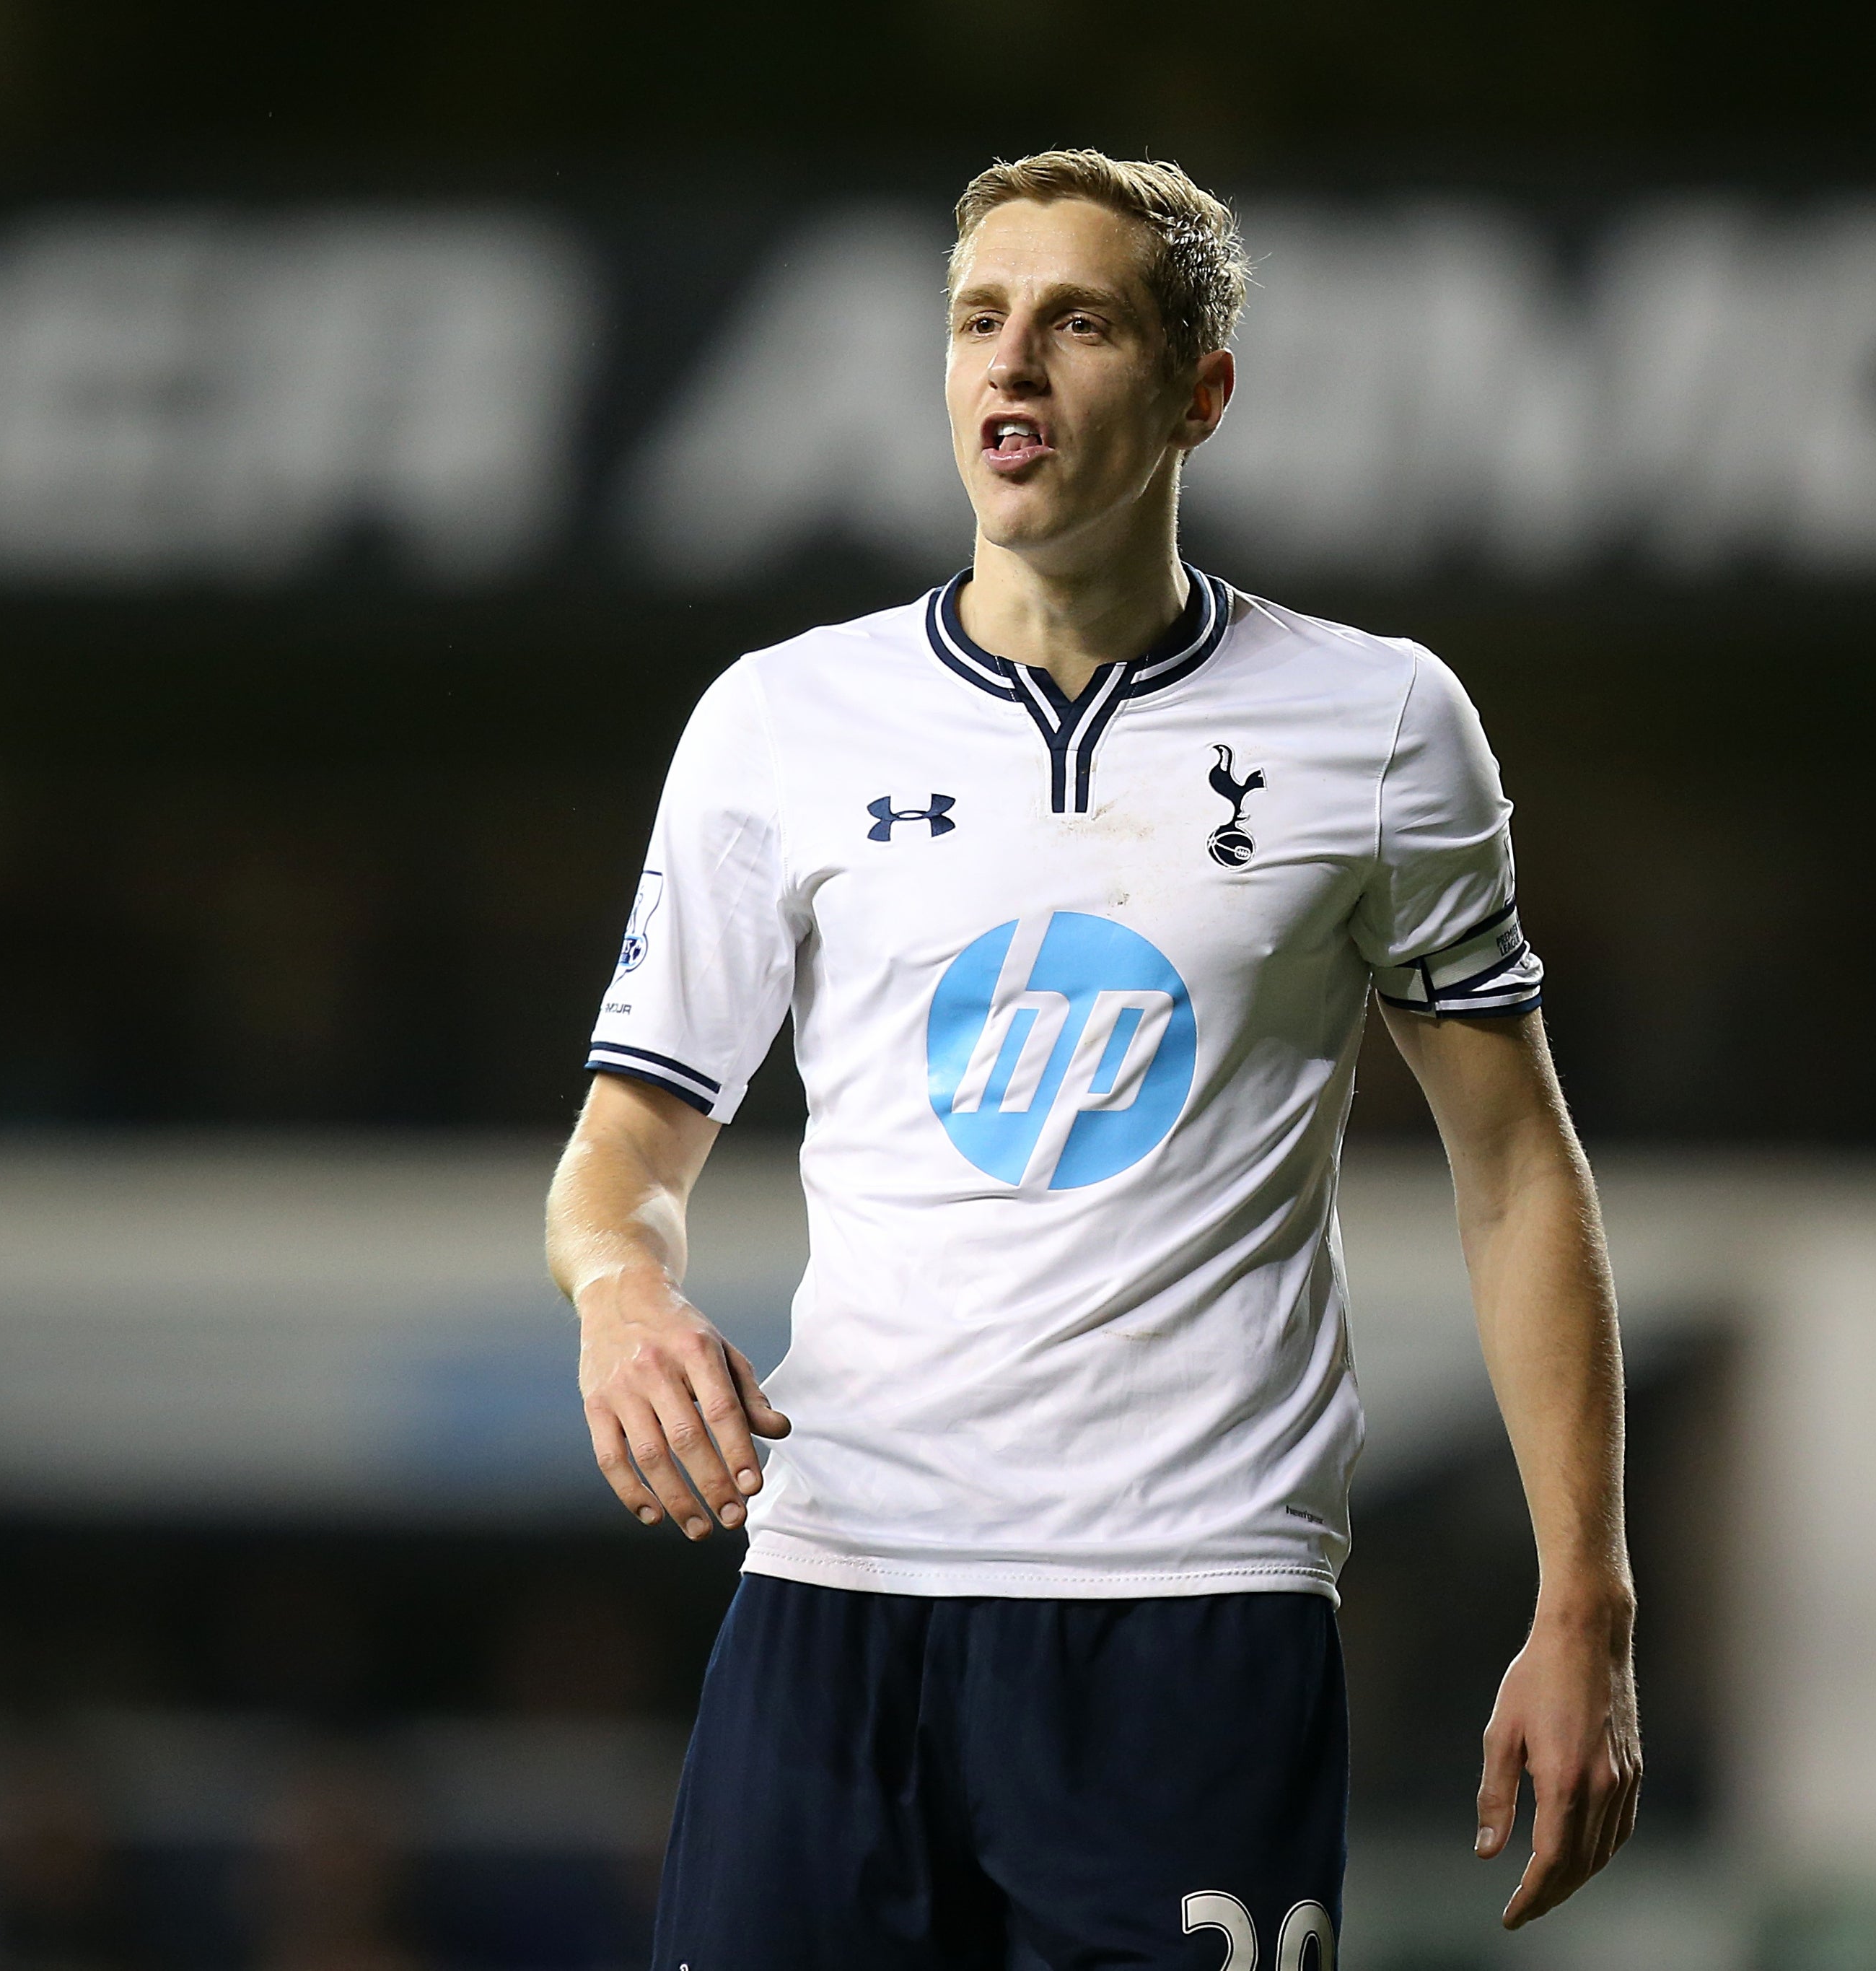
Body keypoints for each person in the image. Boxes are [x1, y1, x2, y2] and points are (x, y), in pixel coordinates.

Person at [545, 148, 1639, 1966]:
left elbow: (1514, 1165)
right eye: (979, 320)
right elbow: (622, 1157)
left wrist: (1582, 1596)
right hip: (841, 1592)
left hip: (1191, 1609)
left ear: (1198, 389)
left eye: (1075, 323)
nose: (1011, 367)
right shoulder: (778, 723)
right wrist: (613, 1294)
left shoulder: (1372, 724)